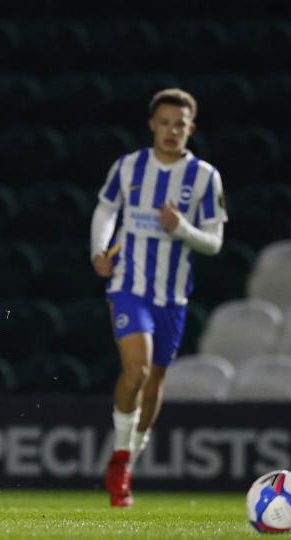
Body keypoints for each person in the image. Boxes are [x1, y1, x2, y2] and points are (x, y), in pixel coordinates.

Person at [91, 88, 227, 507]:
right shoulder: (129, 166)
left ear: (191, 128)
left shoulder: (205, 176)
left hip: (173, 295)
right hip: (128, 287)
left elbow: (215, 242)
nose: (172, 131)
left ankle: (126, 460)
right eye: (164, 122)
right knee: (138, 370)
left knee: (153, 387)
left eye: (180, 124)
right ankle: (118, 455)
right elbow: (106, 209)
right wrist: (99, 249)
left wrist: (182, 228)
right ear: (152, 124)